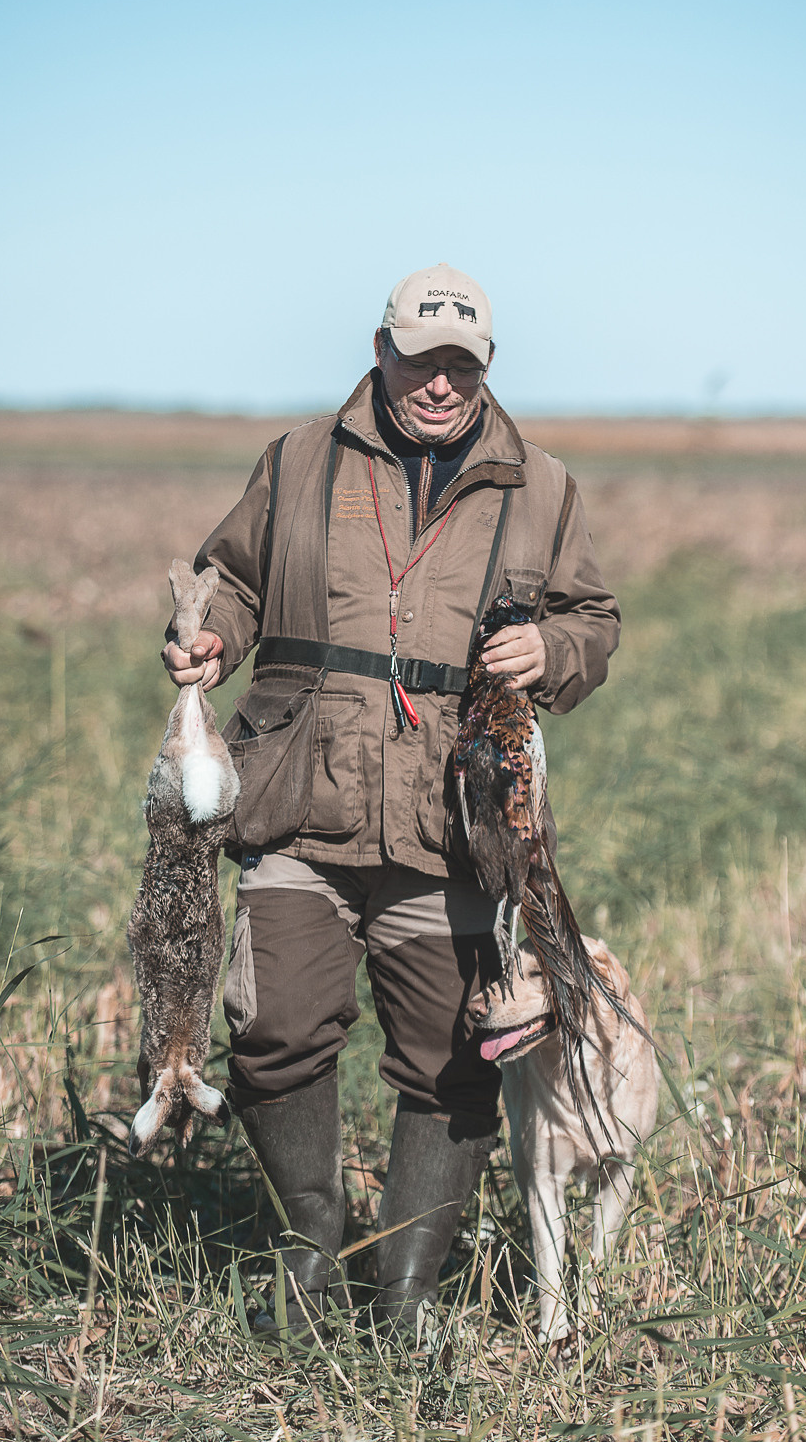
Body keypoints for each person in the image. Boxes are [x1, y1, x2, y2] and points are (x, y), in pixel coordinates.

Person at [162, 262, 620, 1340]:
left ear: (486, 365)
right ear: (381, 352)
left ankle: (406, 1290)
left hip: (453, 824)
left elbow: (592, 620)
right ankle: (310, 1255)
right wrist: (212, 633)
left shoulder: (541, 487)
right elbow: (232, 577)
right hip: (297, 801)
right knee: (271, 1030)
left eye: (462, 364)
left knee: (452, 1057)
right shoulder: (299, 460)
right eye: (421, 360)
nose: (440, 383)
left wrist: (549, 649)